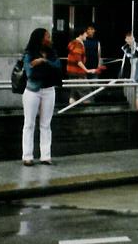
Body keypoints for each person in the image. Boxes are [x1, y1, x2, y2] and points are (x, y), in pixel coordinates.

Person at [21, 28, 62, 166]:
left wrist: (43, 61)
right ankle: (27, 156)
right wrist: (45, 67)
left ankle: (45, 156)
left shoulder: (52, 53)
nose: (49, 39)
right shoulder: (29, 53)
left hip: (49, 90)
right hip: (32, 90)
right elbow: (30, 72)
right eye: (47, 37)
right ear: (40, 39)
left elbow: (58, 67)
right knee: (29, 123)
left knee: (46, 124)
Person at [66, 27, 97, 104]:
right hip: (78, 73)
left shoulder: (73, 43)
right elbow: (78, 60)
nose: (86, 35)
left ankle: (71, 109)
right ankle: (89, 110)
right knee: (87, 94)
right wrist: (87, 70)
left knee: (74, 94)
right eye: (85, 33)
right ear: (81, 35)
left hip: (72, 72)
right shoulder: (78, 44)